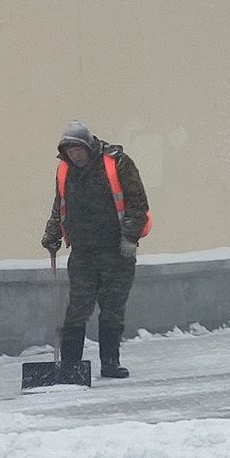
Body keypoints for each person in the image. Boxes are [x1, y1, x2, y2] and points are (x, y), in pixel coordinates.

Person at [40, 121, 150, 379]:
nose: (74, 155)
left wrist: (129, 237)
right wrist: (52, 233)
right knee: (77, 307)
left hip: (117, 251)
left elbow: (138, 203)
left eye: (78, 149)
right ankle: (69, 366)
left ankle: (110, 363)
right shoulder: (65, 171)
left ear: (88, 146)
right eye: (69, 150)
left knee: (112, 308)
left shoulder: (118, 163)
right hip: (83, 252)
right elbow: (61, 204)